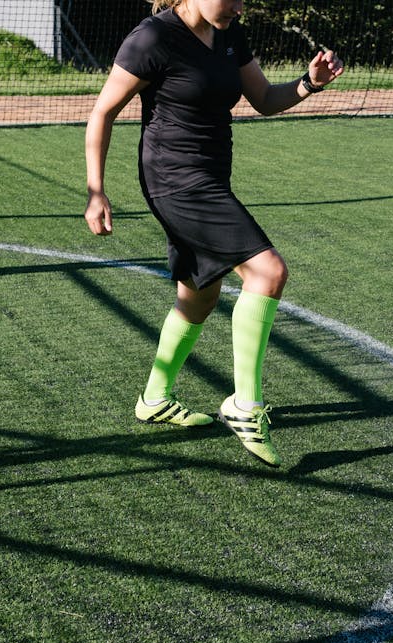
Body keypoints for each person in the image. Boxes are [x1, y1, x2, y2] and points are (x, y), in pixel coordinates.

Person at [83, 0, 343, 468]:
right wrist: (96, 190)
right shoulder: (154, 38)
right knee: (268, 272)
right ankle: (245, 407)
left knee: (199, 295)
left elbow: (264, 100)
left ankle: (154, 398)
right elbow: (102, 112)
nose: (240, 4)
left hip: (209, 178)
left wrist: (309, 84)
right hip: (175, 181)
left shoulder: (229, 34)